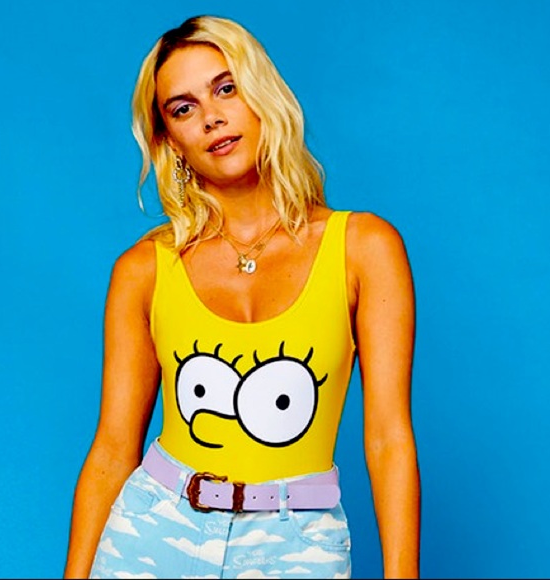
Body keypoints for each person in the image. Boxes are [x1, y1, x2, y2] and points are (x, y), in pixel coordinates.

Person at [63, 14, 420, 580]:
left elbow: (388, 439)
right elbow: (112, 449)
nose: (212, 117)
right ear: (169, 141)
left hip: (297, 544)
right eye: (183, 108)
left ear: (262, 95)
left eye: (226, 88)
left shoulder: (364, 248)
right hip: (153, 534)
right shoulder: (144, 269)